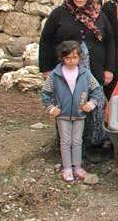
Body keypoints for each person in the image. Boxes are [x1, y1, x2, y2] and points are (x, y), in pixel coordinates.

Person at [39, 0, 115, 148]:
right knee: (68, 106)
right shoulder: (59, 14)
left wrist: (109, 69)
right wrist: (46, 68)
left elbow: (110, 42)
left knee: (95, 105)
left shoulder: (98, 15)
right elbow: (45, 40)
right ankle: (67, 145)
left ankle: (94, 142)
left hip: (94, 70)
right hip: (66, 71)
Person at [41, 40, 104, 182]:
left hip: (79, 114)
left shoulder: (85, 74)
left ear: (80, 58)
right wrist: (51, 108)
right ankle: (67, 168)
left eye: (75, 57)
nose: (71, 61)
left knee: (77, 141)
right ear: (62, 58)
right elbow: (45, 93)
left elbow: (96, 90)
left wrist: (91, 103)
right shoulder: (55, 75)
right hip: (62, 115)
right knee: (65, 141)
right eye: (68, 58)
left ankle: (77, 167)